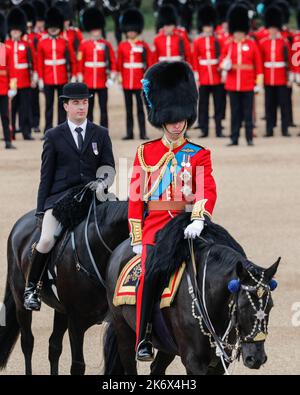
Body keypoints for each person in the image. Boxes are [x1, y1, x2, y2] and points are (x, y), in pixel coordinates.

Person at [128, 61, 217, 361]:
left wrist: (199, 217)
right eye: (171, 119)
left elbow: (207, 190)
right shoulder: (145, 152)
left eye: (181, 118)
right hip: (154, 228)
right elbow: (135, 198)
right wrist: (137, 236)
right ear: (161, 118)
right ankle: (143, 337)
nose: (177, 124)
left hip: (185, 224)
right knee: (149, 276)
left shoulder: (199, 155)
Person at [23, 82, 115, 311]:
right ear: (65, 106)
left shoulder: (100, 133)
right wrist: (41, 210)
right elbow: (46, 177)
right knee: (45, 240)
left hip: (93, 195)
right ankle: (31, 288)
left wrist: (102, 182)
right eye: (76, 103)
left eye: (84, 102)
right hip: (61, 199)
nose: (81, 107)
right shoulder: (53, 136)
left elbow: (109, 167)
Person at [220, 4, 263, 146]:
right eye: (236, 32)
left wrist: (258, 83)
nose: (238, 34)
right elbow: (221, 61)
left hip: (248, 83)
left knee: (248, 113)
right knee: (235, 114)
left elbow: (258, 65)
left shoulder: (251, 44)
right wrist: (224, 65)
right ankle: (234, 138)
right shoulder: (229, 44)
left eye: (240, 32)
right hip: (233, 84)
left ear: (245, 31)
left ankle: (249, 138)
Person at [37, 6, 77, 134]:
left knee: (62, 107)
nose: (53, 28)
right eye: (51, 26)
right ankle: (48, 130)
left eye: (55, 26)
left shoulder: (65, 42)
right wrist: (40, 78)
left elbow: (72, 60)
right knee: (48, 106)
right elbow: (39, 62)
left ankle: (61, 131)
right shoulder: (42, 42)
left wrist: (75, 74)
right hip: (48, 78)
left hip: (62, 78)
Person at [77, 6, 116, 128]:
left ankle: (104, 129)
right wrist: (79, 76)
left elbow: (112, 62)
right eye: (94, 30)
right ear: (90, 30)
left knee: (103, 108)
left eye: (98, 29)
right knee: (89, 108)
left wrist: (112, 77)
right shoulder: (84, 45)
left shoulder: (106, 45)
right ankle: (88, 129)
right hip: (88, 81)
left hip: (102, 81)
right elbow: (80, 62)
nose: (96, 32)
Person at [117, 8, 152, 140]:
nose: (131, 32)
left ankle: (143, 133)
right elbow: (119, 63)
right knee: (128, 110)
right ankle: (129, 132)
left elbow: (149, 63)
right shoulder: (122, 46)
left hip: (139, 82)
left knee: (140, 109)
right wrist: (119, 77)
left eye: (133, 30)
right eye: (129, 30)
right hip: (126, 81)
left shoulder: (143, 45)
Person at [259, 5, 291, 138]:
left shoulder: (284, 42)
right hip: (268, 78)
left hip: (281, 78)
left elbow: (288, 61)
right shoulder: (263, 42)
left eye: (274, 28)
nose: (272, 30)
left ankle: (285, 129)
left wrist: (289, 78)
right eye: (270, 28)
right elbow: (260, 62)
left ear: (277, 28)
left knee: (284, 105)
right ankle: (269, 129)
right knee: (269, 106)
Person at [193, 3, 224, 138]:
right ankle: (204, 130)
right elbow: (194, 59)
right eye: (206, 26)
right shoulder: (198, 41)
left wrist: (222, 70)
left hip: (216, 77)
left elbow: (223, 54)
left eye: (209, 26)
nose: (208, 28)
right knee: (203, 106)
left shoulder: (218, 40)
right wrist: (196, 75)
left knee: (218, 105)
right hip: (204, 77)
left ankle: (218, 130)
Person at [6, 7, 35, 141]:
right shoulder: (4, 45)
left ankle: (26, 131)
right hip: (10, 83)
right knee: (11, 109)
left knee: (25, 108)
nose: (16, 32)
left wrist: (34, 77)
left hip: (25, 81)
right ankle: (10, 132)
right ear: (10, 31)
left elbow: (32, 62)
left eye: (17, 30)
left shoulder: (27, 44)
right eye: (13, 30)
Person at [0, 11, 16, 149]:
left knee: (5, 116)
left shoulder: (4, 49)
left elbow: (11, 70)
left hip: (3, 88)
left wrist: (12, 87)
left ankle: (8, 141)